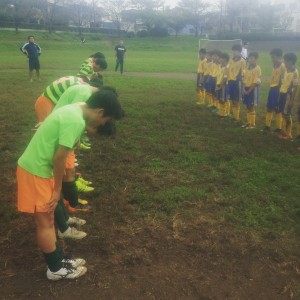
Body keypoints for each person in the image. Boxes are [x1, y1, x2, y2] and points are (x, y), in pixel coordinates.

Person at [16, 90, 123, 280]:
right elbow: (60, 158)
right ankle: (55, 269)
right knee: (45, 223)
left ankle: (58, 260)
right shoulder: (76, 121)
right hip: (36, 171)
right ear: (99, 112)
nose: (104, 124)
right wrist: (57, 190)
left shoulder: (76, 108)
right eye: (106, 120)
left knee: (48, 220)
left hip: (41, 169)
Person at [262, 48, 286, 133]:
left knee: (277, 108)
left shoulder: (283, 67)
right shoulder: (274, 66)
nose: (272, 59)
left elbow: (283, 80)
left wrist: (279, 91)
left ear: (279, 57)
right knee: (269, 107)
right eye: (271, 57)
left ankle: (279, 128)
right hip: (272, 89)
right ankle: (267, 126)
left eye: (273, 57)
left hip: (278, 90)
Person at [277, 53, 299, 139]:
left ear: (291, 61)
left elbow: (295, 87)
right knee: (283, 113)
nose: (284, 62)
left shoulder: (295, 72)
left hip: (288, 96)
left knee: (287, 114)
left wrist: (291, 100)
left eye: (285, 60)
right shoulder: (286, 70)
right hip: (282, 94)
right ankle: (284, 132)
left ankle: (288, 134)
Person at [241, 52, 261, 129]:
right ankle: (248, 122)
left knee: (251, 106)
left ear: (256, 59)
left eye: (252, 58)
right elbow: (243, 78)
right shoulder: (246, 68)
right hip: (246, 88)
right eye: (249, 58)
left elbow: (256, 82)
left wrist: (249, 91)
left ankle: (252, 124)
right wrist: (244, 88)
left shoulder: (257, 69)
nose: (250, 60)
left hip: (252, 89)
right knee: (247, 106)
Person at [228, 44, 246, 121]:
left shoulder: (242, 61)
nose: (234, 52)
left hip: (237, 82)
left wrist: (240, 81)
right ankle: (234, 116)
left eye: (235, 51)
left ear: (240, 51)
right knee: (232, 99)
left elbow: (243, 73)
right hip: (230, 81)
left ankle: (236, 118)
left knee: (236, 100)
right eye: (233, 50)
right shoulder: (232, 60)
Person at [216, 53, 230, 117]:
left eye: (221, 58)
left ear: (225, 59)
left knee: (223, 99)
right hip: (219, 84)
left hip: (224, 85)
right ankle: (222, 112)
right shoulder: (220, 66)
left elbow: (225, 78)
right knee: (220, 99)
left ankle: (224, 113)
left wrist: (220, 86)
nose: (219, 59)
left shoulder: (227, 67)